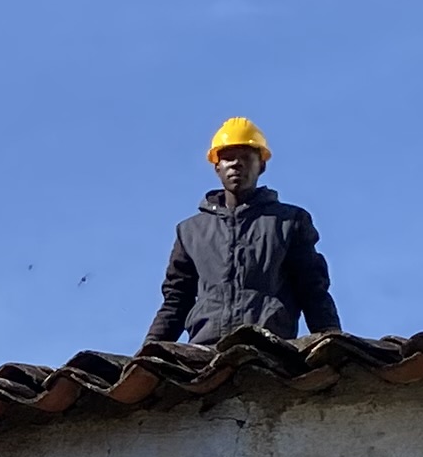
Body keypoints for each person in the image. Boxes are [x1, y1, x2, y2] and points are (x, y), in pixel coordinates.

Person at [143, 116, 340, 349]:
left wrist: (334, 347)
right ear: (217, 166)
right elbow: (176, 300)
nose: (237, 164)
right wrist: (148, 350)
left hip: (272, 348)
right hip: (206, 351)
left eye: (246, 157)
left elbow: (312, 291)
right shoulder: (190, 231)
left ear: (262, 165)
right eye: (228, 158)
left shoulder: (289, 222)